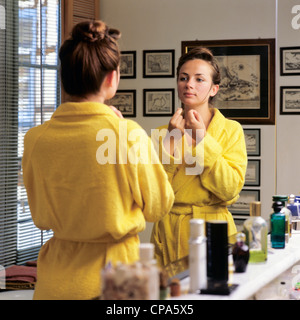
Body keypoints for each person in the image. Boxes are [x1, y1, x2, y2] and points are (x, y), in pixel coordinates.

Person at [22, 20, 174, 300]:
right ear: (112, 78)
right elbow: (159, 206)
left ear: (63, 77)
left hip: (53, 283)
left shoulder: (35, 139)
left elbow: (40, 217)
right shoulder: (125, 135)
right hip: (117, 280)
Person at [150, 47, 247, 270]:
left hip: (213, 231)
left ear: (214, 89)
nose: (189, 84)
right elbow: (154, 195)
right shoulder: (161, 133)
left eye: (199, 79)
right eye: (183, 78)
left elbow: (230, 190)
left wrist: (203, 140)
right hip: (169, 235)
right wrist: (171, 141)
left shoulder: (231, 131)